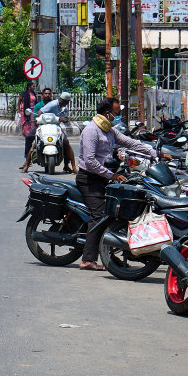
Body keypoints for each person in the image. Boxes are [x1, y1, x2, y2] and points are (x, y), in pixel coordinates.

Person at [76, 97, 155, 272]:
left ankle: (108, 254)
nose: (118, 116)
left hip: (102, 178)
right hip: (89, 180)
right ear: (107, 113)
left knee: (115, 211)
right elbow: (89, 161)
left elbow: (129, 142)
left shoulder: (109, 130)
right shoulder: (92, 131)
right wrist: (112, 176)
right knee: (100, 214)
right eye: (117, 113)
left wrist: (154, 152)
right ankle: (88, 259)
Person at [17, 82, 39, 171]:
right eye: (33, 86)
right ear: (29, 87)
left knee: (33, 129)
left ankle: (28, 160)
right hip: (26, 112)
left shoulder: (33, 93)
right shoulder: (23, 93)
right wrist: (18, 109)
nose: (34, 87)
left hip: (33, 112)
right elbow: (19, 101)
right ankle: (27, 159)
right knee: (27, 133)